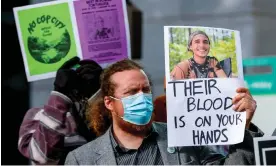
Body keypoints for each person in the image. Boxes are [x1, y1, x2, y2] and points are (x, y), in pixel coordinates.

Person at [65, 59, 263, 165]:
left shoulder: (185, 137)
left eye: (146, 90)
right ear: (109, 102)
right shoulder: (82, 160)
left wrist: (240, 126)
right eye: (131, 92)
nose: (142, 97)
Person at [18, 57, 103, 165]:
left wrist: (99, 94)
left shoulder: (107, 113)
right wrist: (60, 94)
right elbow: (41, 157)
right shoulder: (36, 116)